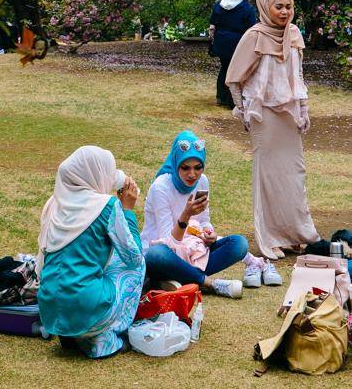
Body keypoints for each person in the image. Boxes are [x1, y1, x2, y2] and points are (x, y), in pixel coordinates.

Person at [226, 0, 320, 261]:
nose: (284, 12)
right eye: (278, 7)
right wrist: (244, 110)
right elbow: (234, 79)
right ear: (265, 7)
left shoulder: (294, 34)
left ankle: (295, 234)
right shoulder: (254, 36)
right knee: (268, 177)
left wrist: (304, 109)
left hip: (289, 113)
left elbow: (298, 75)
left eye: (288, 7)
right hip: (263, 114)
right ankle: (271, 238)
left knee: (294, 175)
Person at [37, 145, 145, 358]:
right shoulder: (107, 206)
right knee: (136, 266)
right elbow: (133, 257)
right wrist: (128, 210)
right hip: (85, 307)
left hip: (49, 310)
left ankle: (70, 332)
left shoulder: (54, 203)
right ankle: (104, 339)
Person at [141, 131, 250, 298]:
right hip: (166, 252)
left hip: (194, 250)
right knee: (156, 254)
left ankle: (175, 280)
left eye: (197, 167)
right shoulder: (160, 187)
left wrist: (209, 233)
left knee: (239, 244)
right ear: (176, 164)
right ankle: (209, 283)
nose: (192, 174)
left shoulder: (202, 181)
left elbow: (204, 220)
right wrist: (186, 215)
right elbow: (169, 242)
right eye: (185, 168)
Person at [209, 0, 258, 107]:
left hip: (221, 40)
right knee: (234, 71)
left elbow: (213, 22)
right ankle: (231, 101)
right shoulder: (247, 8)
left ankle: (221, 97)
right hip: (237, 42)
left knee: (224, 67)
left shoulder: (219, 4)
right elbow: (252, 28)